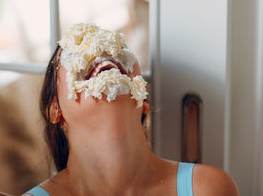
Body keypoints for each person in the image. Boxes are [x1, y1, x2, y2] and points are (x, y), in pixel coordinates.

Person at [23, 24, 239, 196]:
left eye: (117, 49)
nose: (102, 55)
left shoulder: (209, 189)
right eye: (79, 48)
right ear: (55, 110)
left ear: (143, 99)